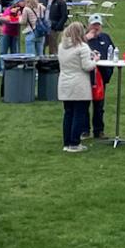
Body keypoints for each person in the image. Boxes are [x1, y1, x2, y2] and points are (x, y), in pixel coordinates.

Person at [56, 21, 96, 152]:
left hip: (65, 82)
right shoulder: (82, 47)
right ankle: (75, 143)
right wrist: (95, 60)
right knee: (79, 113)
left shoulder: (62, 46)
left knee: (68, 113)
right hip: (79, 83)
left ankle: (67, 142)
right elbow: (87, 66)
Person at [85, 18, 116, 139]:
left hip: (102, 76)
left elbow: (112, 51)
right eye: (93, 25)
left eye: (98, 25)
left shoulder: (105, 37)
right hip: (87, 74)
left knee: (99, 105)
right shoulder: (84, 39)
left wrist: (109, 72)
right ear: (89, 25)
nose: (96, 28)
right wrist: (87, 38)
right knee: (84, 104)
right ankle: (85, 130)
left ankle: (99, 130)